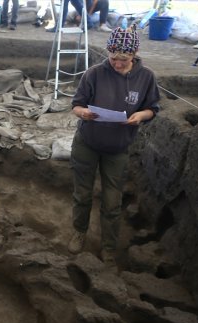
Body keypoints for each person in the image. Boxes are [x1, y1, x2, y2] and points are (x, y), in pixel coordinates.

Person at [68, 25, 160, 267]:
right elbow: (76, 104)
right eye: (113, 58)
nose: (117, 64)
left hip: (118, 149)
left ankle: (109, 247)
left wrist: (141, 115)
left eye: (123, 59)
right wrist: (83, 112)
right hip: (88, 143)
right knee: (83, 194)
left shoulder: (146, 77)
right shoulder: (94, 73)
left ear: (134, 54)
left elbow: (153, 108)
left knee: (112, 201)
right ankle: (79, 231)